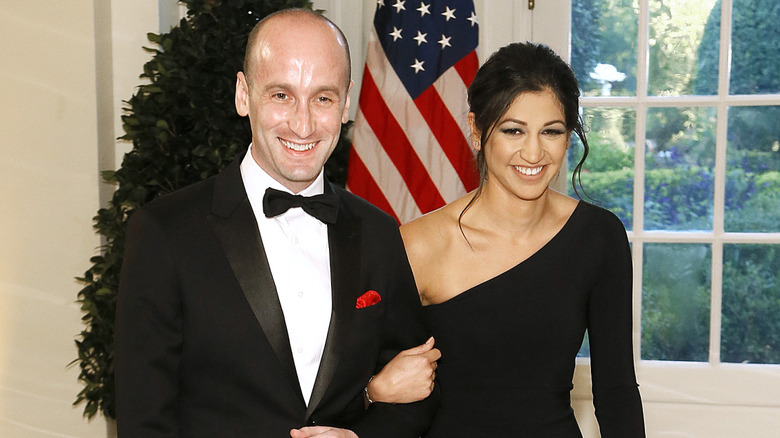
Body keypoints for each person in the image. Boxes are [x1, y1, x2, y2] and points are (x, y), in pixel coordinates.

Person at [114, 9, 439, 438]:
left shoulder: (378, 233)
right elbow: (145, 421)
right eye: (281, 95)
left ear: (346, 103)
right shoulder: (165, 233)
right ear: (243, 95)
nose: (302, 124)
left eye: (322, 98)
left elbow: (418, 388)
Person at [370, 42, 646, 436]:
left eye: (551, 131)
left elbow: (616, 391)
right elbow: (370, 381)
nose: (533, 152)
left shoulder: (599, 237)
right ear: (477, 130)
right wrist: (372, 391)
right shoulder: (418, 244)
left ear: (569, 137)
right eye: (513, 130)